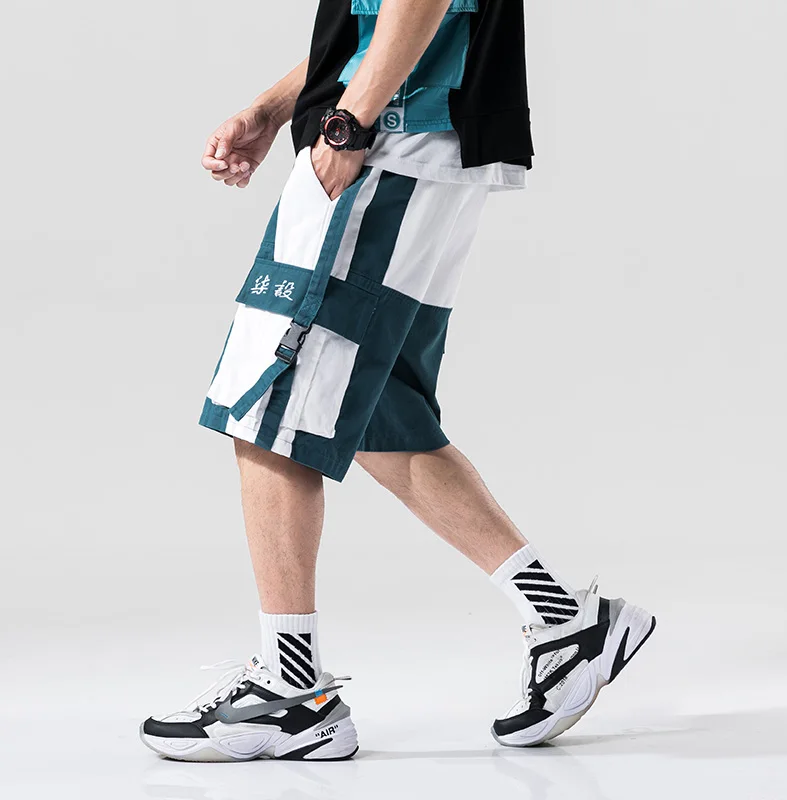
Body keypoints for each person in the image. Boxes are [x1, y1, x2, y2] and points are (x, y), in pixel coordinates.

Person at [139, 0, 655, 762]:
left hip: (388, 142)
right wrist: (278, 107)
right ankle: (566, 623)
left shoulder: (364, 133)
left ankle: (293, 694)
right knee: (378, 412)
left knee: (269, 405)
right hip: (419, 141)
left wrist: (345, 128)